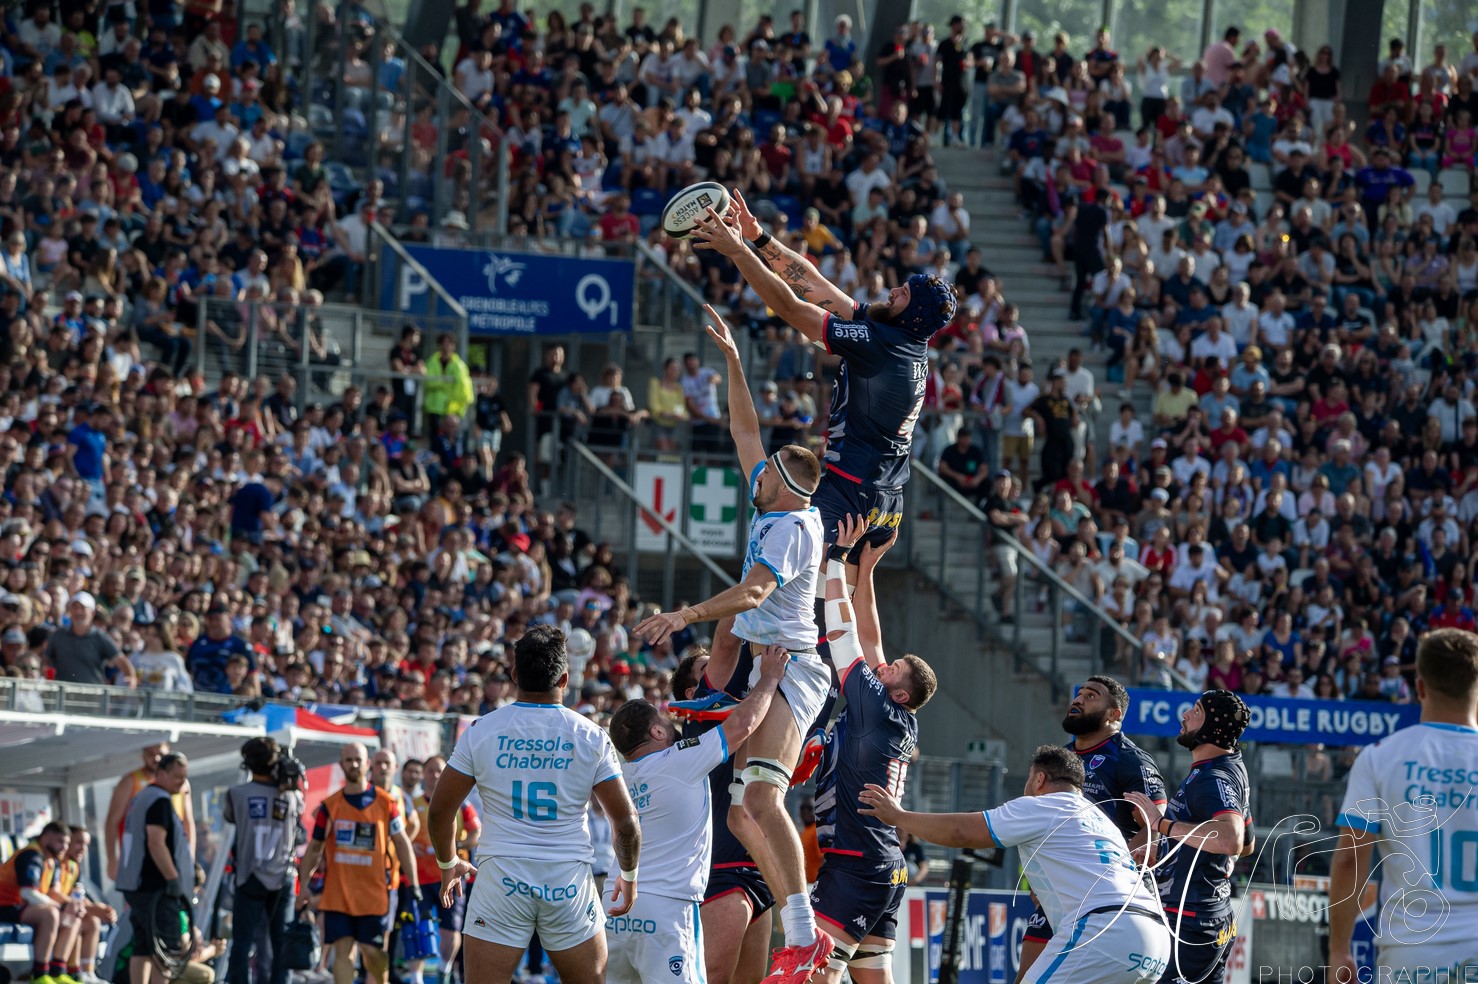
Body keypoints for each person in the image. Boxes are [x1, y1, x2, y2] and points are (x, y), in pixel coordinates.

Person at [631, 307, 832, 984]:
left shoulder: (790, 529)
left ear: (784, 483)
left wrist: (682, 613)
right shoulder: (777, 504)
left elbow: (749, 596)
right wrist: (733, 361)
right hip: (765, 660)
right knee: (746, 810)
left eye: (766, 469)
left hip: (790, 666)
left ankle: (806, 938)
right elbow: (744, 429)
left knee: (759, 804)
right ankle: (798, 931)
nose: (757, 470)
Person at [691, 189, 957, 567]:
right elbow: (818, 287)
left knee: (799, 592)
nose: (893, 290)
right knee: (841, 605)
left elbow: (790, 307)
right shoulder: (904, 340)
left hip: (851, 491)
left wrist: (737, 252)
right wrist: (758, 237)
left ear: (911, 314)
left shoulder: (880, 343)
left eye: (903, 294)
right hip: (886, 495)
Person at [425, 625, 641, 984]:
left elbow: (440, 810)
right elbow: (627, 823)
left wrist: (448, 863)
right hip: (568, 882)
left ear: (514, 675)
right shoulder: (589, 734)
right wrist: (629, 877)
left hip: (502, 881)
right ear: (565, 679)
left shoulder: (482, 730)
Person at [859, 746, 1170, 984]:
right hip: (1154, 938)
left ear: (1038, 779)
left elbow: (961, 832)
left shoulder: (1044, 804)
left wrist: (898, 816)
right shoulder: (1100, 818)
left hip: (1105, 931)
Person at [604, 642, 788, 984]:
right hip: (668, 904)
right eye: (663, 721)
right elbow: (743, 724)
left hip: (617, 903)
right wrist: (769, 677)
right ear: (657, 732)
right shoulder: (679, 758)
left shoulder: (619, 775)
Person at [809, 515, 938, 984]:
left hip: (855, 864)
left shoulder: (875, 702)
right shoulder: (894, 710)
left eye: (892, 669)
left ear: (900, 692)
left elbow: (845, 631)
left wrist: (838, 561)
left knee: (808, 974)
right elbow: (873, 636)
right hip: (883, 866)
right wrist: (869, 570)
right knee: (873, 978)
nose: (882, 665)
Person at [1328, 627, 1478, 983]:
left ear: (1420, 687)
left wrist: (1338, 950)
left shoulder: (1381, 757)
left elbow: (1350, 859)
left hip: (1411, 951)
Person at [1017, 677, 1167, 982]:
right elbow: (1034, 817)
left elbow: (1156, 825)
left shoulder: (1128, 760)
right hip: (1059, 892)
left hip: (1106, 901)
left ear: (1114, 714)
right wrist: (1040, 879)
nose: (1078, 700)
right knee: (1028, 977)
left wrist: (1113, 868)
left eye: (1090, 696)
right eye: (1078, 694)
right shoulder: (1061, 759)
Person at [1126, 691, 1253, 984]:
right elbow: (1246, 845)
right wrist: (1174, 849)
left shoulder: (1213, 778)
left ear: (1213, 726)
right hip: (1207, 917)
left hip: (1192, 921)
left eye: (1196, 711)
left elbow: (1232, 839)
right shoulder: (1231, 766)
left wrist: (1162, 825)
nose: (1184, 715)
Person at [668, 646, 776, 984]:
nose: (718, 667)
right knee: (710, 978)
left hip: (757, 870)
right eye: (706, 666)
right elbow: (733, 648)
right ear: (693, 692)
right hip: (724, 869)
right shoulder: (699, 729)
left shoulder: (741, 709)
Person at [295, 743, 419, 984]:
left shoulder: (387, 803)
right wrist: (304, 884)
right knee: (343, 952)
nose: (353, 764)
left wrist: (413, 884)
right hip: (338, 894)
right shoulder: (330, 806)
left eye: (358, 760)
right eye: (348, 760)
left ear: (367, 764)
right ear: (341, 764)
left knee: (374, 953)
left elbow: (402, 843)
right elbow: (314, 848)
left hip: (374, 895)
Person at [222, 737, 304, 984]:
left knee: (243, 940)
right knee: (282, 942)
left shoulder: (236, 793)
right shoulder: (293, 796)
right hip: (283, 875)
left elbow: (230, 818)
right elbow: (299, 831)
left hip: (250, 875)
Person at [115, 752, 194, 984]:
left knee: (144, 945)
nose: (181, 782)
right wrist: (173, 879)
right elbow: (155, 842)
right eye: (176, 776)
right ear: (161, 773)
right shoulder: (159, 801)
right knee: (165, 946)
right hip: (155, 888)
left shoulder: (142, 797)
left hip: (137, 885)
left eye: (184, 777)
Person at [408, 756, 481, 984]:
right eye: (430, 771)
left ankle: (444, 970)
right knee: (419, 926)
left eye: (439, 770)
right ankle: (415, 976)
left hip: (452, 877)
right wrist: (411, 845)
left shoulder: (462, 804)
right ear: (424, 774)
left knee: (452, 930)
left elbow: (476, 833)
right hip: (421, 877)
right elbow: (401, 835)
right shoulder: (413, 803)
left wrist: (454, 848)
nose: (434, 775)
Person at [104, 744, 195, 883]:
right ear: (143, 756)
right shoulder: (131, 781)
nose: (157, 758)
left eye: (161, 754)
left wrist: (190, 857)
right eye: (150, 754)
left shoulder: (181, 783)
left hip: (172, 854)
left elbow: (187, 821)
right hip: (140, 859)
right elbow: (112, 821)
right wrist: (112, 859)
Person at [0, 822, 76, 984]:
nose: (64, 847)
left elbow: (50, 893)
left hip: (21, 907)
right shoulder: (31, 855)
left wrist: (70, 905)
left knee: (72, 914)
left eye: (67, 843)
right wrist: (59, 907)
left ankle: (58, 972)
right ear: (46, 837)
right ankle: (40, 974)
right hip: (5, 905)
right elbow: (27, 893)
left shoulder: (51, 860)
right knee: (50, 914)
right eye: (60, 841)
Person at [52, 826, 117, 984]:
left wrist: (100, 908)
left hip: (68, 910)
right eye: (79, 842)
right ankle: (67, 972)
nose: (83, 848)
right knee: (79, 918)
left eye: (87, 844)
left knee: (93, 920)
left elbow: (77, 895)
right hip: (52, 912)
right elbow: (56, 895)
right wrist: (91, 908)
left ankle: (87, 973)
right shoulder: (56, 864)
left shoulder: (74, 867)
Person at [45, 591, 137, 688]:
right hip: (63, 696)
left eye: (82, 608)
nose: (78, 612)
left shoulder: (100, 637)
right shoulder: (59, 635)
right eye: (75, 607)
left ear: (92, 613)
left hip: (91, 698)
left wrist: (131, 677)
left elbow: (121, 660)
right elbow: (46, 660)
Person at [423, 332, 474, 437]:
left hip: (452, 408)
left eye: (449, 343)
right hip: (434, 406)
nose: (446, 346)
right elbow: (428, 382)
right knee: (435, 436)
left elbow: (463, 387)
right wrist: (446, 384)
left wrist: (459, 408)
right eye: (443, 343)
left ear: (454, 346)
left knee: (451, 437)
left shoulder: (459, 365)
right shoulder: (431, 362)